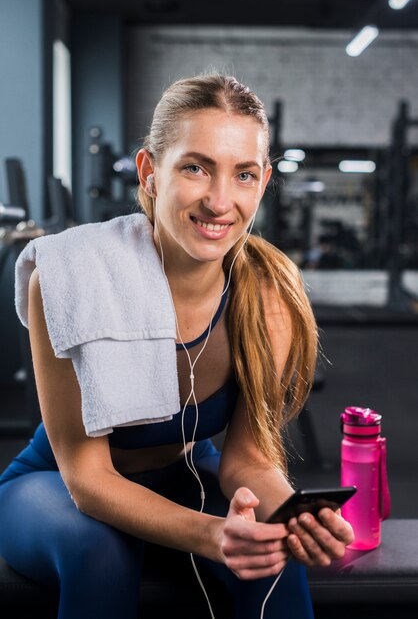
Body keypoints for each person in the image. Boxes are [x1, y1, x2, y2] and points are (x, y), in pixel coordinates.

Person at [0, 73, 353, 619]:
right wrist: (212, 536)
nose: (219, 201)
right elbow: (88, 480)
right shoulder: (68, 275)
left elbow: (249, 458)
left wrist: (293, 518)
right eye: (195, 167)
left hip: (187, 474)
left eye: (243, 175)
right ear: (150, 172)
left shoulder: (268, 299)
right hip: (57, 484)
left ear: (261, 186)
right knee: (101, 553)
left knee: (271, 556)